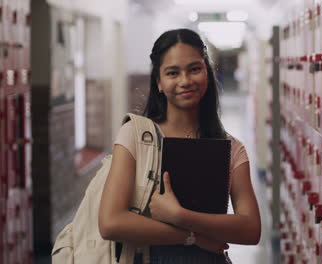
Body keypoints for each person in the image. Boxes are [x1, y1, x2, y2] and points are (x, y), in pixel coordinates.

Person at [98, 28, 261, 263]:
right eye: (173, 73)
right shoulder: (136, 136)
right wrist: (192, 237)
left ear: (207, 72)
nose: (185, 81)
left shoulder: (231, 148)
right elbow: (111, 223)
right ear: (159, 83)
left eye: (195, 69)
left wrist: (181, 216)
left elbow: (251, 229)